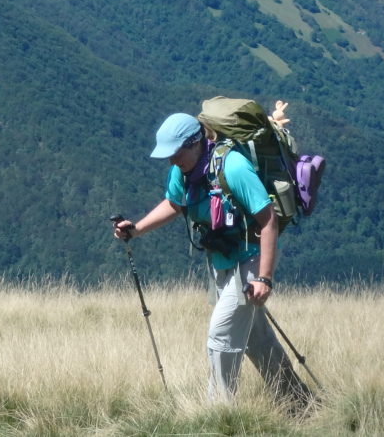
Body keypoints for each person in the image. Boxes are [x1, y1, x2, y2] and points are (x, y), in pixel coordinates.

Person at [112, 102, 313, 411]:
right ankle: (300, 403)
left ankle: (218, 414)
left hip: (250, 260)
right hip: (221, 261)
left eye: (176, 153)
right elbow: (174, 204)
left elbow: (268, 219)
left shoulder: (232, 167)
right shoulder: (183, 170)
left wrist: (264, 278)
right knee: (256, 340)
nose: (171, 160)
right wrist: (135, 230)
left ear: (195, 143)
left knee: (221, 335)